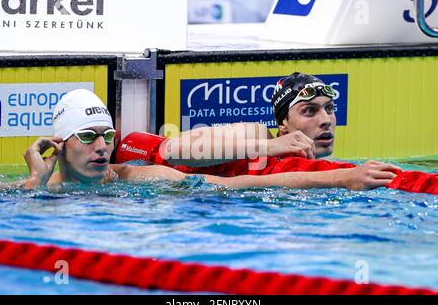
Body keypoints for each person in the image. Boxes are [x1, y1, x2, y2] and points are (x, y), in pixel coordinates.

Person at [20, 89, 400, 191]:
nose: (102, 146)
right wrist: (36, 182)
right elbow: (174, 149)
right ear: (58, 143)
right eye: (88, 136)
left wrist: (343, 176)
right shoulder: (256, 136)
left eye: (107, 136)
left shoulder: (138, 178)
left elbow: (237, 185)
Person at [161, 72, 337, 167]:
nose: (326, 120)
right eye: (309, 111)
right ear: (283, 123)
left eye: (329, 108)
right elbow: (172, 149)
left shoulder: (325, 166)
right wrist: (269, 147)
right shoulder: (258, 135)